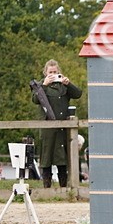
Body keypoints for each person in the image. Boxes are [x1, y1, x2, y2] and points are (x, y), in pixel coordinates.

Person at [32, 59, 83, 188]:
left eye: (55, 71)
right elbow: (35, 99)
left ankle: (63, 188)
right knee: (46, 159)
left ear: (59, 71)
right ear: (45, 72)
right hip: (48, 128)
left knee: (62, 160)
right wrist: (44, 84)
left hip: (62, 128)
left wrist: (68, 83)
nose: (53, 74)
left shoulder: (63, 85)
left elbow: (78, 94)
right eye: (50, 72)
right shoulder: (40, 85)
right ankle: (46, 188)